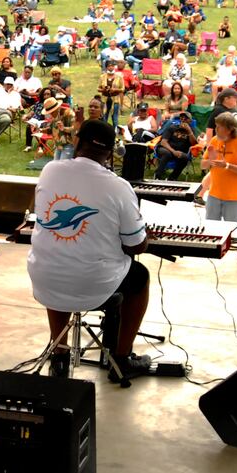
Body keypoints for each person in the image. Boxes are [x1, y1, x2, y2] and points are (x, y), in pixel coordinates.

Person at [27, 119, 153, 383]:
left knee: (60, 256)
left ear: (76, 143)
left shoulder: (50, 170)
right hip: (94, 285)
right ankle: (122, 358)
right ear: (110, 152)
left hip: (43, 276)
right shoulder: (119, 186)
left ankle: (59, 355)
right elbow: (136, 245)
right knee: (139, 276)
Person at [198, 111, 237, 222]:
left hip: (235, 197)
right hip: (214, 194)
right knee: (211, 230)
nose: (216, 129)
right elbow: (202, 165)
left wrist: (227, 165)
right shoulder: (215, 140)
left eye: (219, 127)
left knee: (231, 231)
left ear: (229, 129)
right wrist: (210, 161)